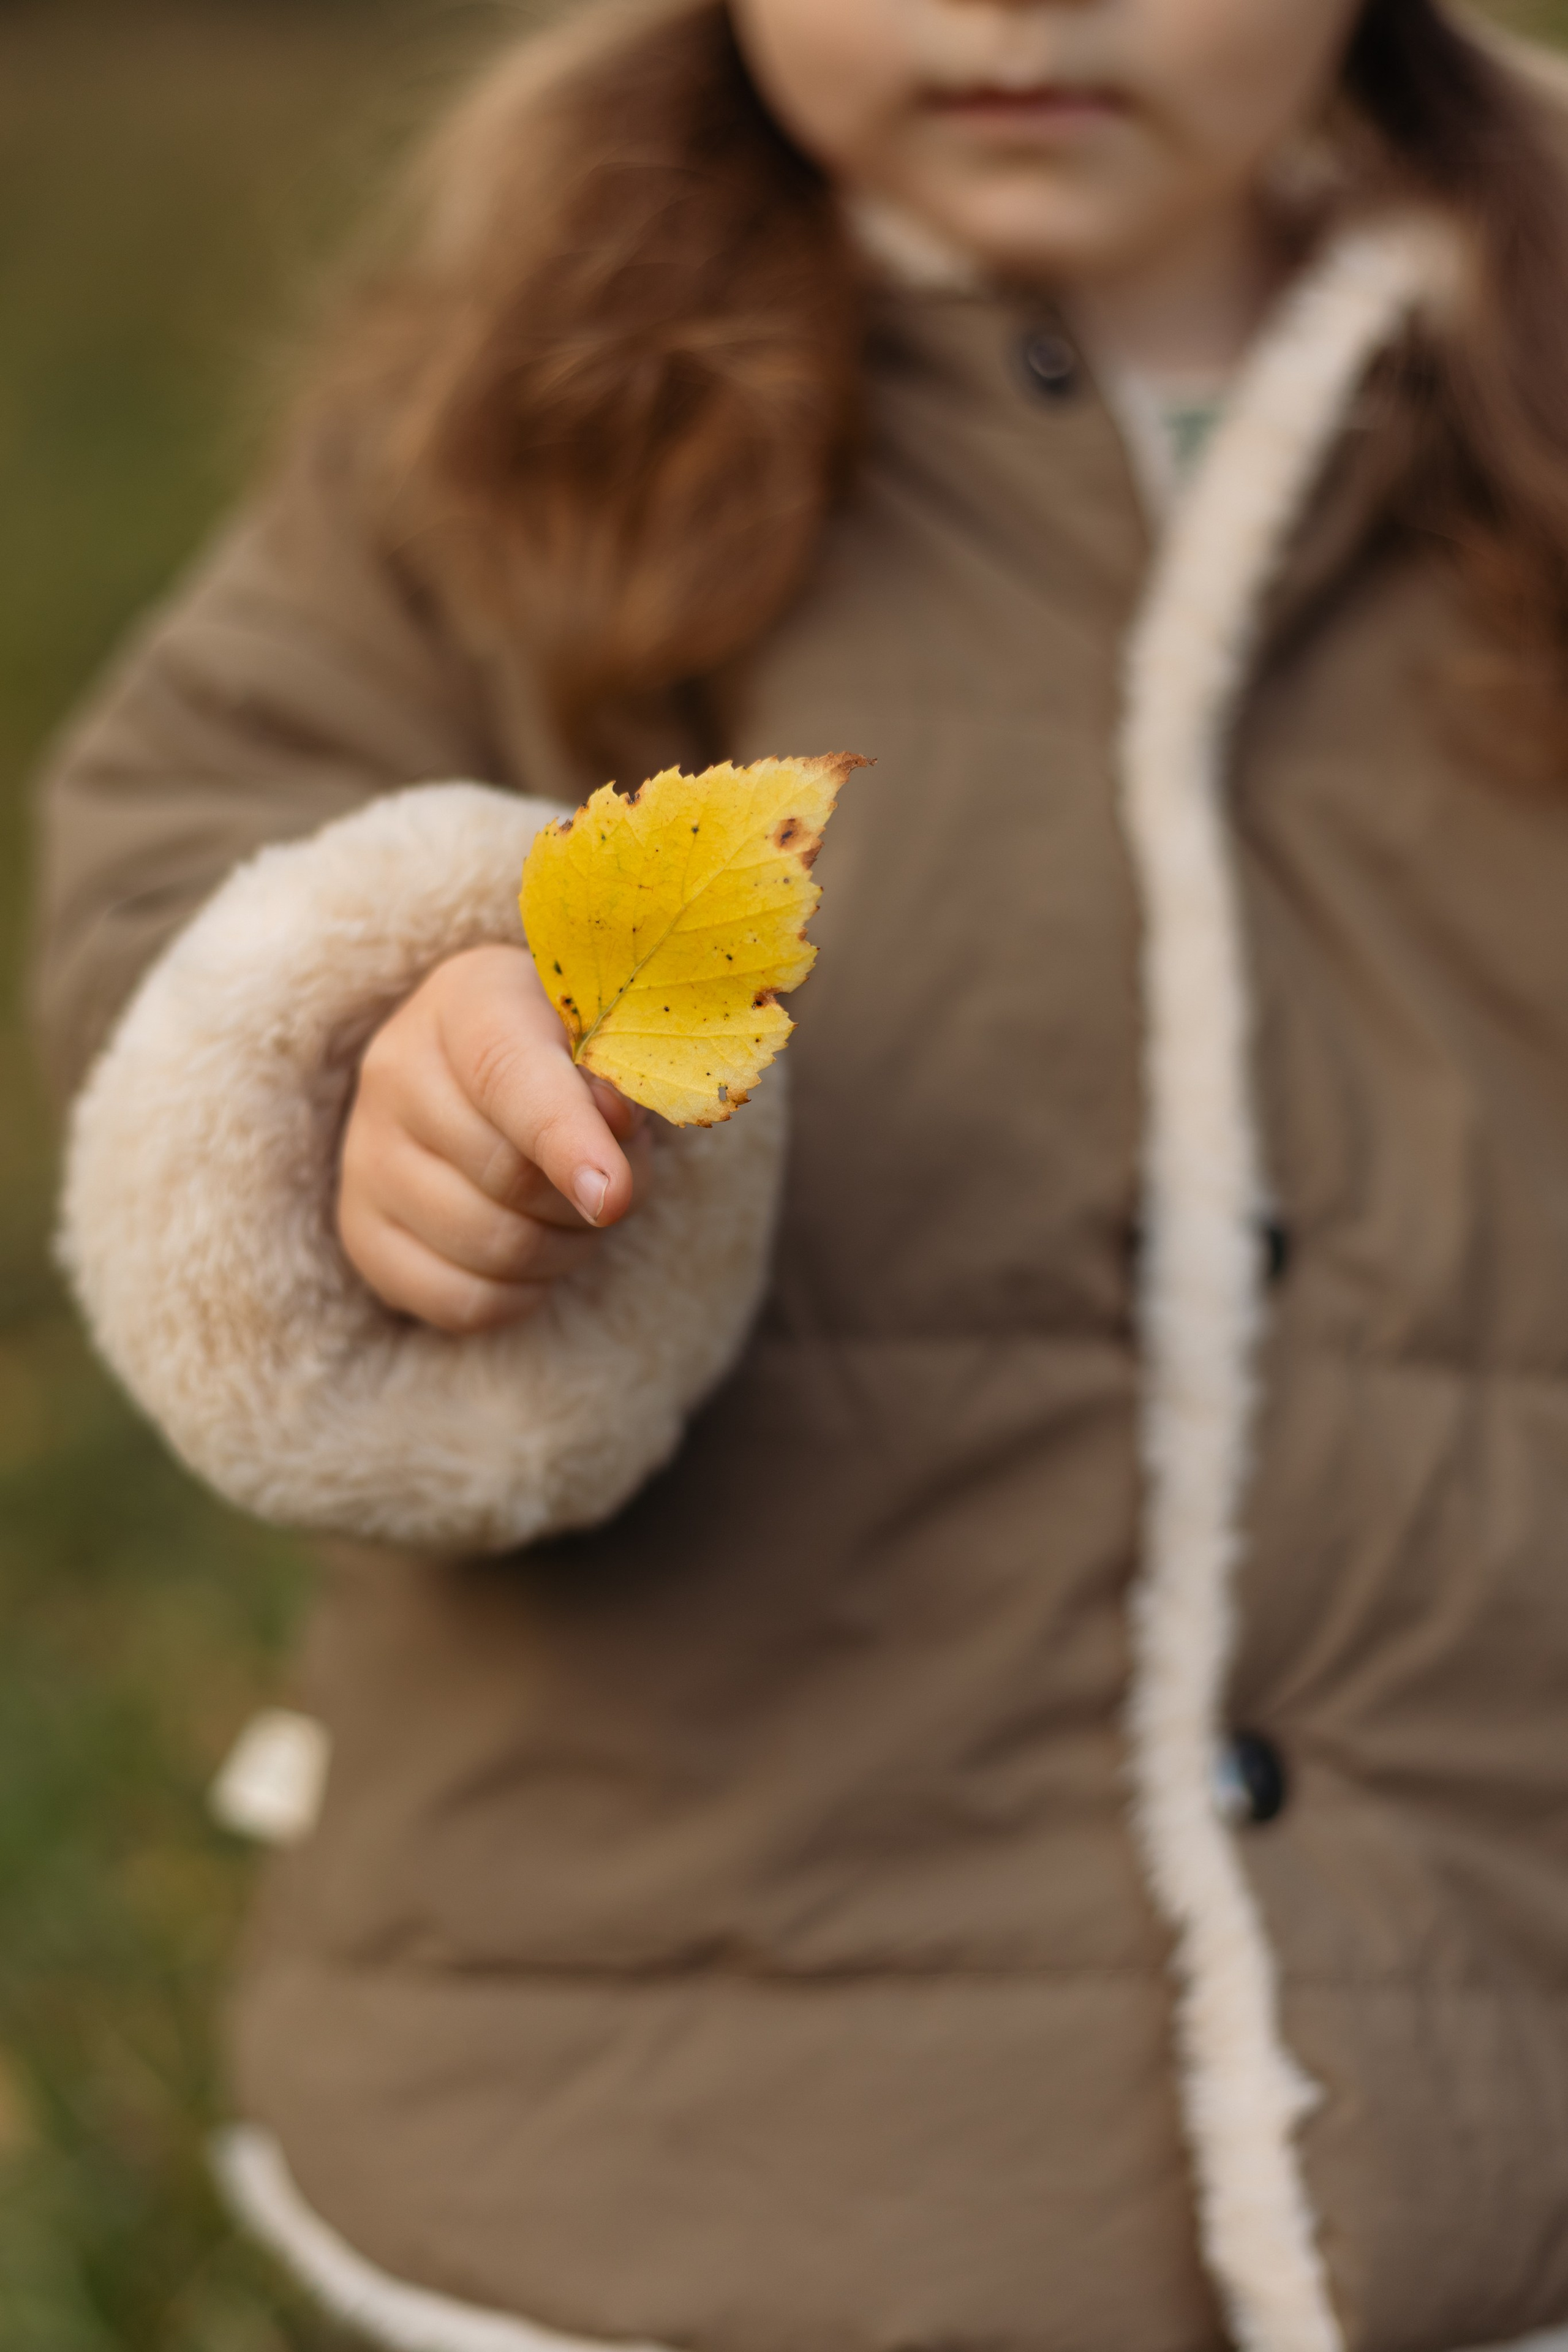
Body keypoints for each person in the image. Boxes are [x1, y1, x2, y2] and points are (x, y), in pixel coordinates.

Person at [31, 0, 1568, 2346]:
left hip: (1489, 1978)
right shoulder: (538, 381)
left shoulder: (1521, 367)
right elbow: (191, 853)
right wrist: (374, 1063)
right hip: (690, 2040)